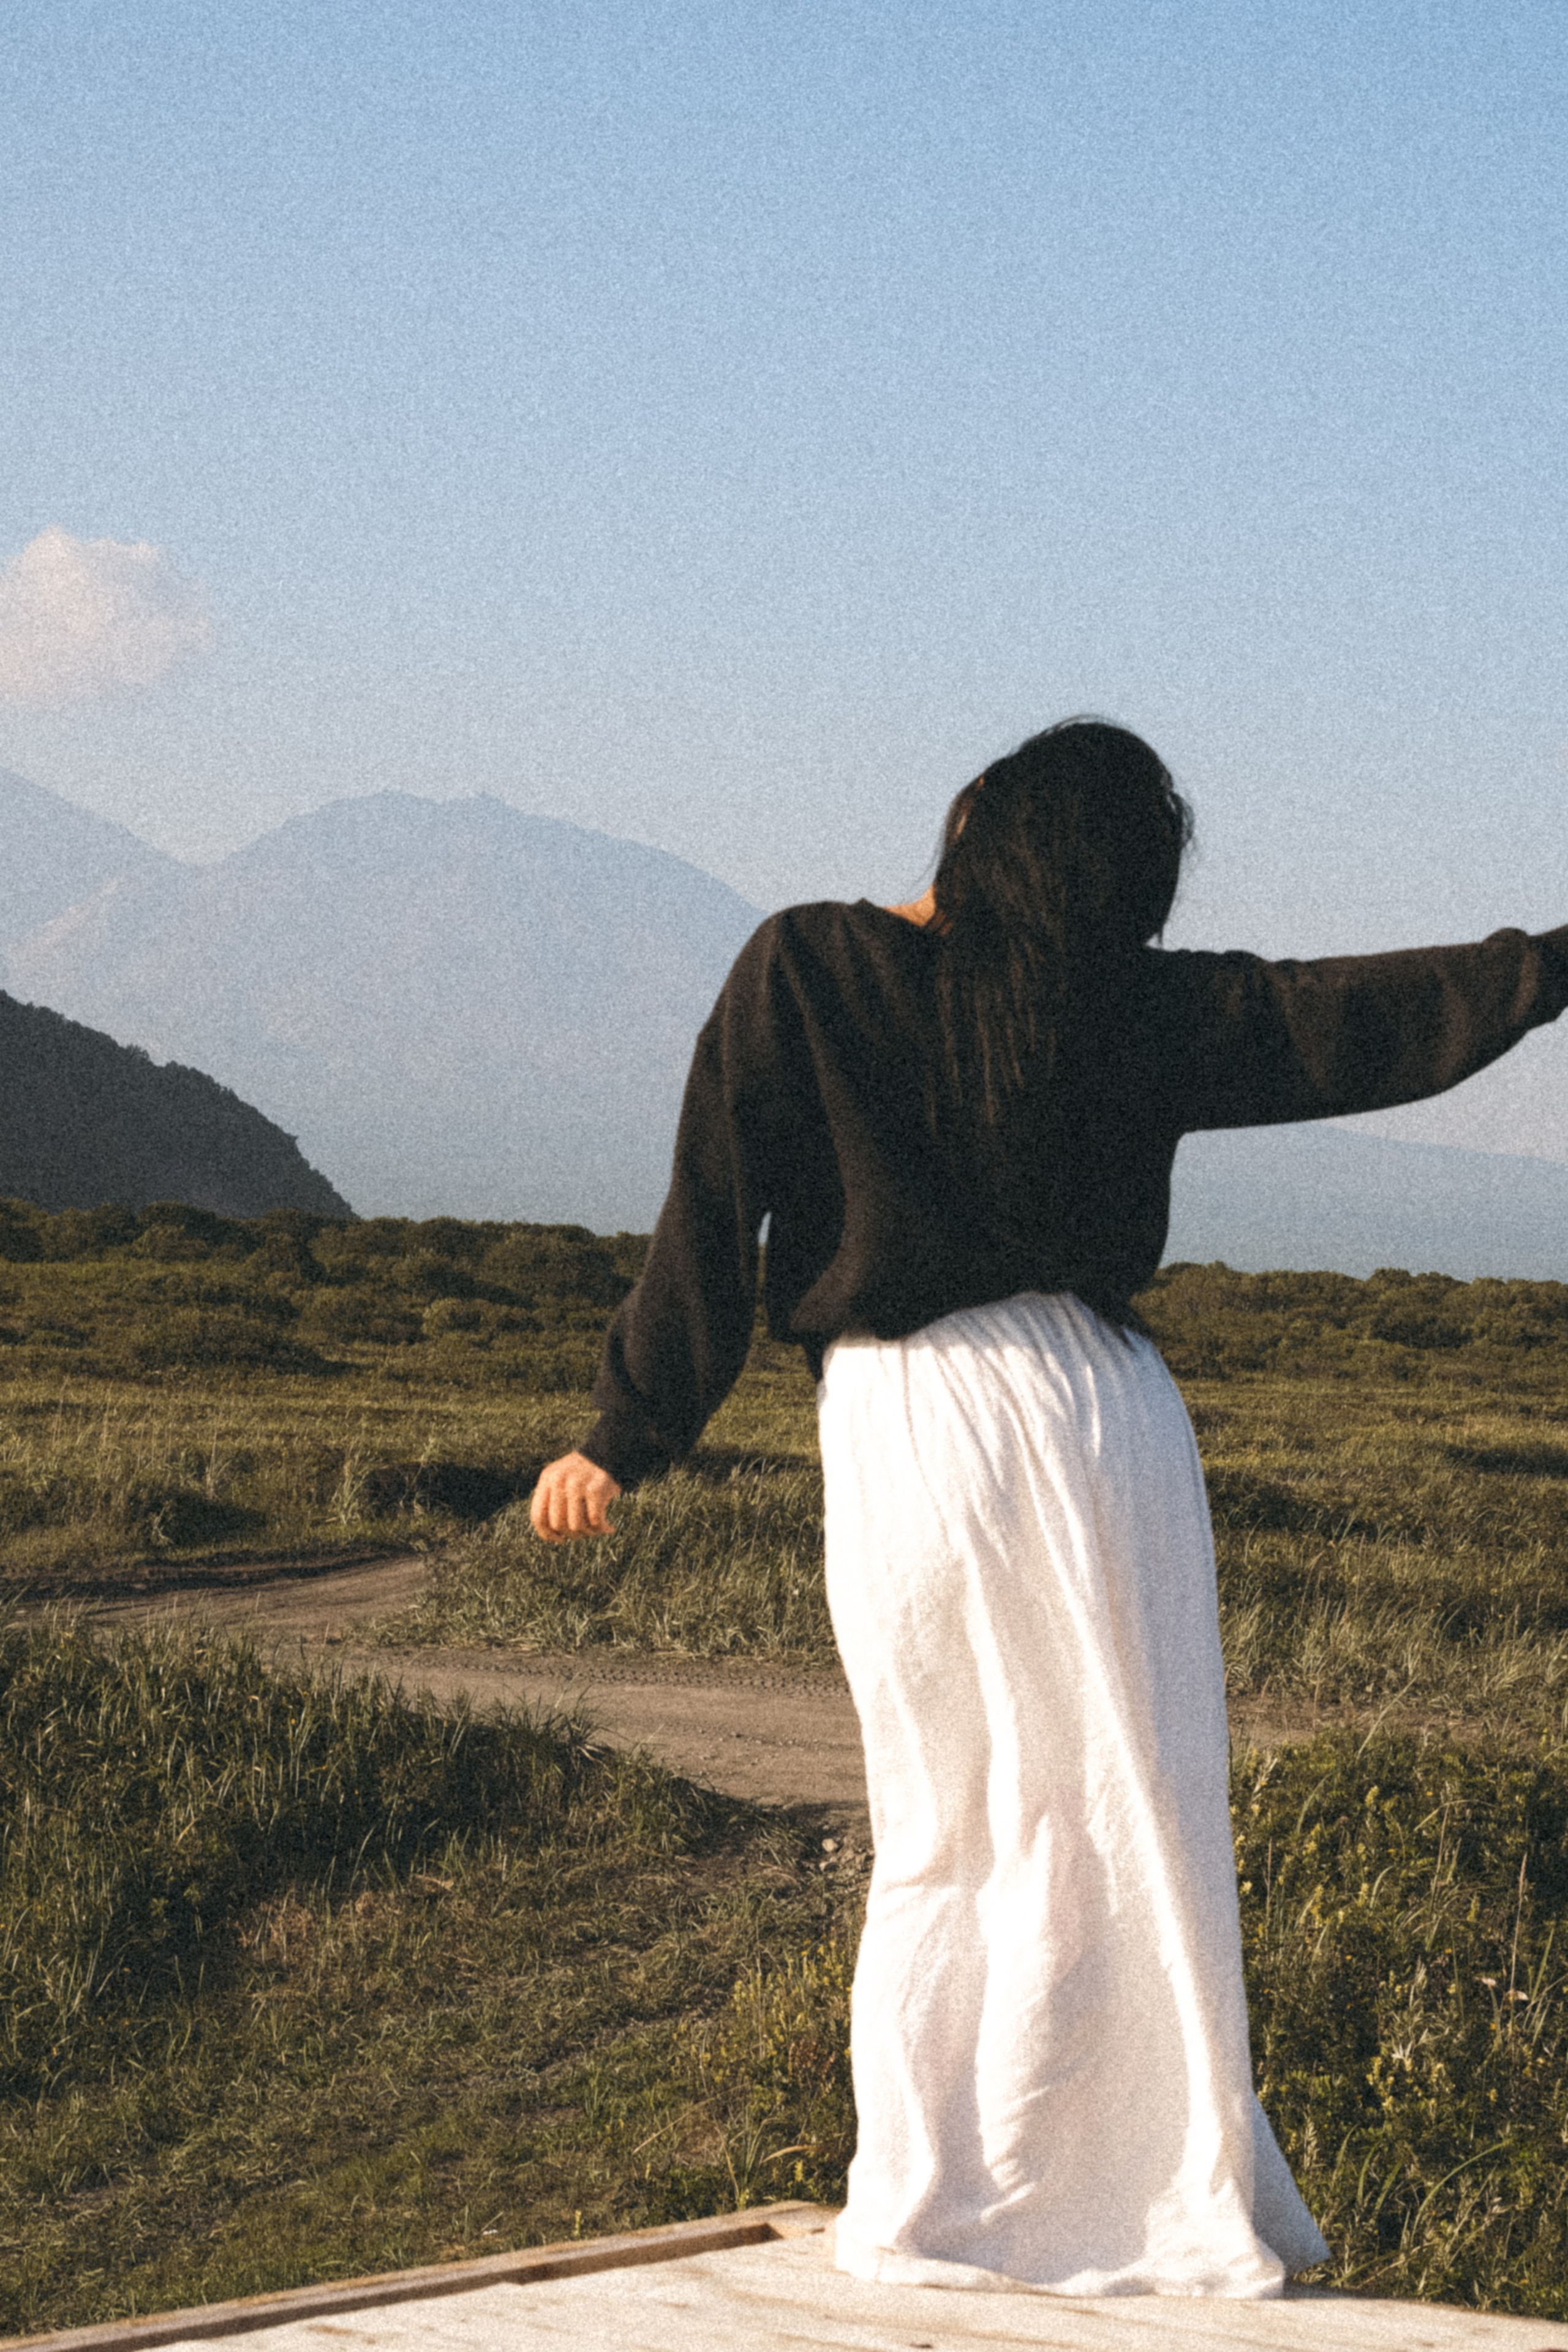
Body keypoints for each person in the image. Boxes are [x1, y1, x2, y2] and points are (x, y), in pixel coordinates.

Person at [530, 720, 1568, 2299]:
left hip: (924, 1419)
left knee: (951, 1815)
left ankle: (956, 2195)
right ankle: (1135, 2194)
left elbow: (709, 1200)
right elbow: (1366, 1016)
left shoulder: (812, 965)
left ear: (969, 825)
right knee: (1127, 1817)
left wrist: (628, 1430)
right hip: (1110, 1423)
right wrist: (1554, 960)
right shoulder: (1133, 1008)